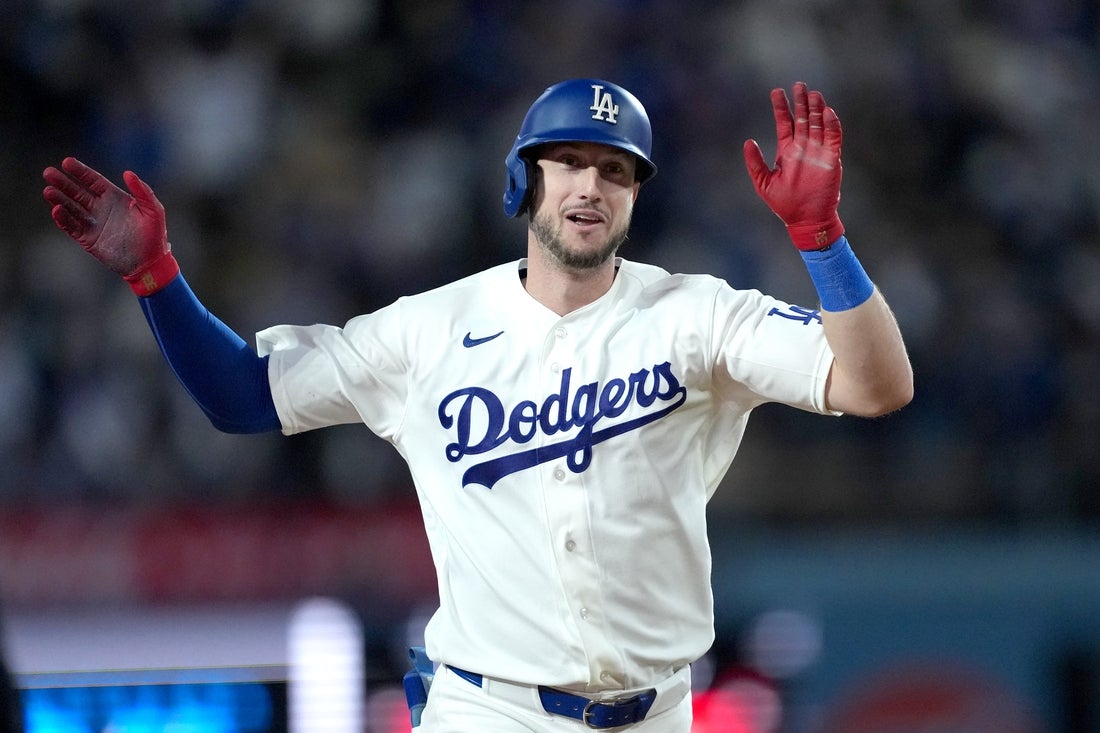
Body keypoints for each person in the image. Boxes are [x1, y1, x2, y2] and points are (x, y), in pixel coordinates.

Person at [42, 78, 912, 732]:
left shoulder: (700, 314)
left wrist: (821, 239)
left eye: (615, 170)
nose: (590, 185)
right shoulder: (428, 331)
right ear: (524, 179)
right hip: (488, 711)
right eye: (568, 161)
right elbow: (241, 397)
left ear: (636, 196)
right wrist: (157, 277)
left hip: (658, 712)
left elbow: (878, 385)